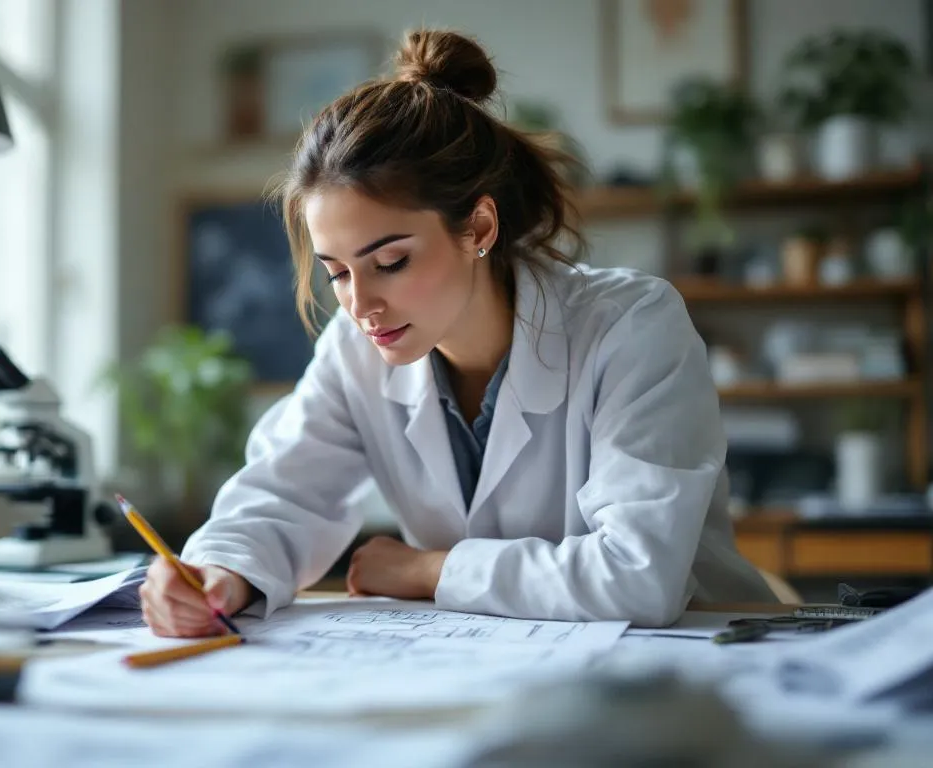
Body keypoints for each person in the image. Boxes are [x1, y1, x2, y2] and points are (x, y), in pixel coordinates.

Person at [138, 27, 776, 636]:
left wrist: (430, 569)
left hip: (692, 668)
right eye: (337, 273)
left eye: (391, 262)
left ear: (478, 228)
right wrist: (218, 573)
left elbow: (638, 576)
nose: (362, 305)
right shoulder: (353, 351)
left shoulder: (631, 327)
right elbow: (282, 495)